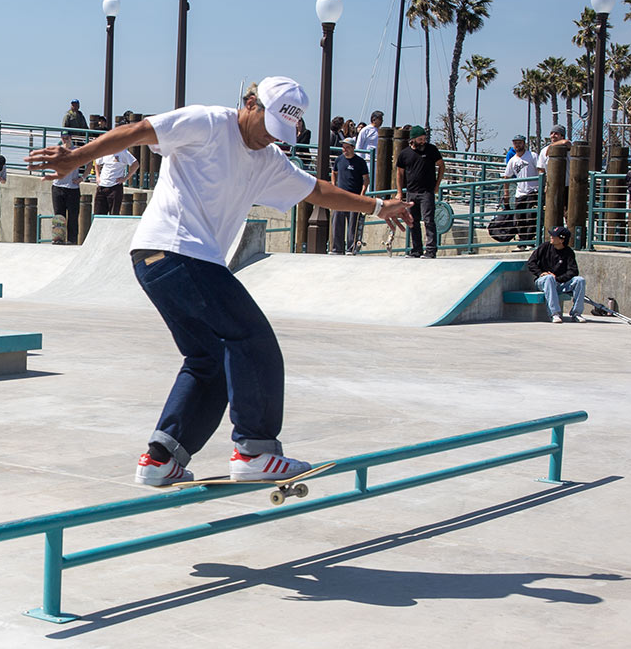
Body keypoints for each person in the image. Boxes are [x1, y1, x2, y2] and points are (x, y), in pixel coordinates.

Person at [28, 76, 410, 486]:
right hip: (176, 251)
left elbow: (315, 190)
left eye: (279, 134)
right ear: (250, 103)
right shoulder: (207, 122)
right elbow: (137, 131)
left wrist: (376, 206)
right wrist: (77, 157)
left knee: (210, 361)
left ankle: (161, 459)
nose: (268, 139)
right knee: (252, 340)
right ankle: (256, 449)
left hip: (163, 262)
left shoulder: (269, 160)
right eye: (266, 127)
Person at [394, 125, 445, 258]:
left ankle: (431, 250)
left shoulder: (431, 150)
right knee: (412, 220)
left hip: (426, 191)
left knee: (428, 220)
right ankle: (416, 249)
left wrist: (437, 184)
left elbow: (441, 165)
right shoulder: (405, 154)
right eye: (420, 139)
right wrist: (400, 192)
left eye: (424, 139)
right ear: (413, 140)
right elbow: (399, 173)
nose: (423, 141)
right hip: (411, 192)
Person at [526, 225, 586, 323]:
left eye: (554, 236)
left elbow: (573, 271)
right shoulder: (544, 247)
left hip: (559, 282)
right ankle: (554, 314)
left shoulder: (568, 252)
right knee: (549, 278)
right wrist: (540, 273)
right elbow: (531, 262)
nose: (551, 237)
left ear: (562, 240)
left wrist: (558, 278)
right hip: (543, 281)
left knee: (580, 280)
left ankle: (576, 313)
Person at [331, 140, 369, 253]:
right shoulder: (339, 160)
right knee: (337, 223)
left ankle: (351, 248)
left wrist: (362, 194)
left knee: (353, 225)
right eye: (343, 147)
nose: (345, 150)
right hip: (340, 197)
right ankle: (337, 248)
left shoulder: (360, 162)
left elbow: (366, 179)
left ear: (352, 148)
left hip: (354, 197)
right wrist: (334, 185)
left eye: (347, 147)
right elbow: (334, 172)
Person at [50, 154, 85, 244]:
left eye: (67, 138)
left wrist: (82, 178)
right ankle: (58, 238)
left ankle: (72, 240)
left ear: (71, 138)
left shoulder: (76, 152)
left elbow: (89, 163)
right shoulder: (57, 152)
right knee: (59, 215)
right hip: (57, 187)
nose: (65, 139)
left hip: (72, 188)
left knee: (73, 216)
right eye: (63, 138)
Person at [94, 144, 137, 215]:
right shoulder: (104, 150)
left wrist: (125, 178)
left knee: (114, 214)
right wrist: (97, 176)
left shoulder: (123, 152)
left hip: (115, 187)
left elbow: (135, 164)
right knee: (98, 215)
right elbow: (97, 162)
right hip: (102, 186)